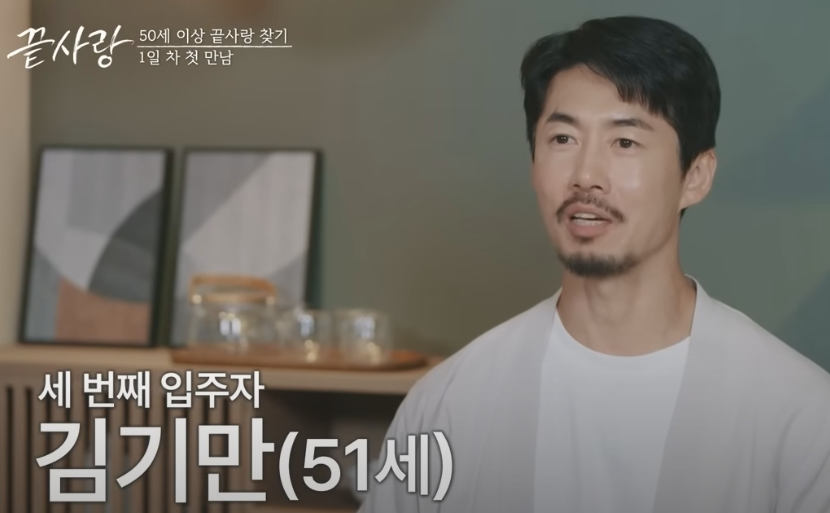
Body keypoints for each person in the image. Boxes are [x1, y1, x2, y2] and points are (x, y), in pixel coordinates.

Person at [358, 15, 830, 513]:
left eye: (625, 142)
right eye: (563, 139)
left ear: (695, 176)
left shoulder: (799, 416)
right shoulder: (449, 402)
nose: (585, 176)